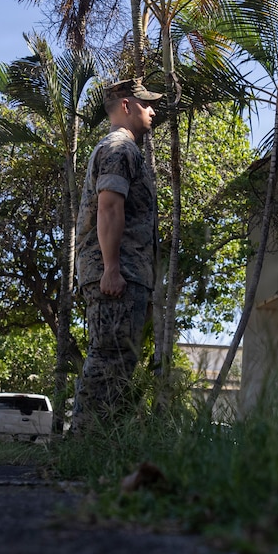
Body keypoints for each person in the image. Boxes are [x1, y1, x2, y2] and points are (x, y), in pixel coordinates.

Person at [71, 78, 160, 435]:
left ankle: (100, 445)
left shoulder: (122, 148)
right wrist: (111, 269)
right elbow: (108, 208)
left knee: (117, 362)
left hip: (123, 272)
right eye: (145, 103)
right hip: (116, 274)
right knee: (108, 361)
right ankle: (84, 444)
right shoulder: (119, 148)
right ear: (126, 105)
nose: (152, 110)